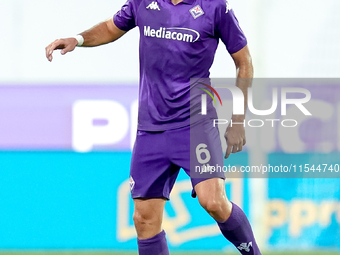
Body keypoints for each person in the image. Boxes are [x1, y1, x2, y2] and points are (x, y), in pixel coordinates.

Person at [45, 0, 261, 254]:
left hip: (196, 124)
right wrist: (78, 39)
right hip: (151, 128)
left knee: (213, 201)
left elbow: (244, 61)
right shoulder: (143, 2)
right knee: (144, 220)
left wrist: (238, 120)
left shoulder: (215, 7)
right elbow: (110, 27)